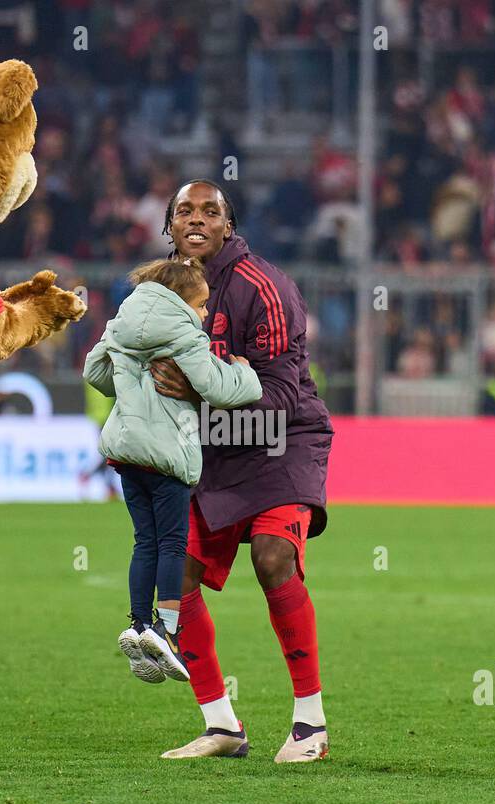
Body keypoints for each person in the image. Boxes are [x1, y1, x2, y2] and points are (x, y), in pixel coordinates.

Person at [148, 180, 335, 763]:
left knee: (273, 557)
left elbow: (280, 395)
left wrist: (199, 391)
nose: (196, 219)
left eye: (210, 211)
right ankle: (221, 725)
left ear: (229, 226)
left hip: (280, 444)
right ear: (169, 227)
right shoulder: (158, 292)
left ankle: (311, 725)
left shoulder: (265, 287)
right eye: (184, 211)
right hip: (213, 450)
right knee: (174, 573)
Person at [84, 257, 261, 685]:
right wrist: (246, 374)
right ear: (183, 298)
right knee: (172, 543)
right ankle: (167, 630)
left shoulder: (123, 319)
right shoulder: (183, 332)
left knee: (144, 541)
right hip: (167, 452)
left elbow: (95, 370)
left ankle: (139, 624)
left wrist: (134, 384)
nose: (204, 314)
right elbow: (216, 388)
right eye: (201, 305)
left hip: (126, 452)